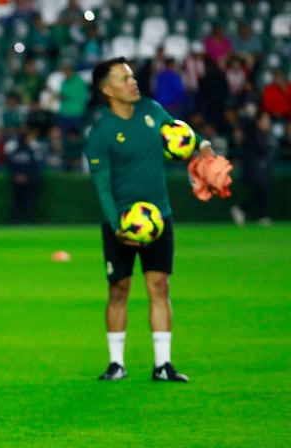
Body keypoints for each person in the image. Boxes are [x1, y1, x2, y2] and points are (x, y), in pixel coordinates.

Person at [84, 56, 215, 383]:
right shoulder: (100, 134)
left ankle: (163, 365)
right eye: (124, 78)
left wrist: (205, 147)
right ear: (107, 90)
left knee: (159, 287)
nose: (133, 81)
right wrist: (117, 227)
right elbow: (102, 188)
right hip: (121, 223)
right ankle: (116, 364)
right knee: (118, 290)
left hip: (160, 218)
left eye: (131, 76)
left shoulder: (152, 111)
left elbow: (181, 135)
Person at [230, 111, 274, 226]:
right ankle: (251, 212)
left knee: (261, 192)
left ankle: (256, 214)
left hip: (261, 169)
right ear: (258, 122)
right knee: (262, 190)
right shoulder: (254, 134)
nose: (267, 123)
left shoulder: (265, 135)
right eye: (265, 120)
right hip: (254, 169)